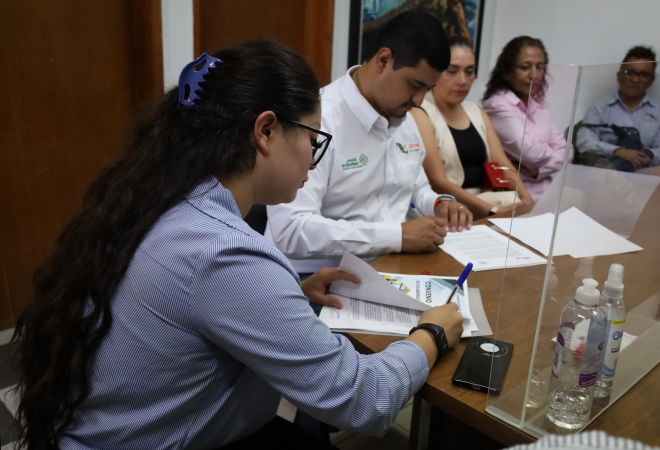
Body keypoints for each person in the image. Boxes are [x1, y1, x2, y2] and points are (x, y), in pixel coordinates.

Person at [11, 41, 464, 449]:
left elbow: (193, 303)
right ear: (265, 131)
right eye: (313, 139)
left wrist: (291, 296)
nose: (313, 159)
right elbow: (365, 401)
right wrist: (432, 333)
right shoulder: (225, 254)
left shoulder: (158, 197)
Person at [266, 12, 473, 275]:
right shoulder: (319, 120)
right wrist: (396, 236)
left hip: (389, 266)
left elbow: (414, 189)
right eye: (415, 85)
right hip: (313, 276)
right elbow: (291, 229)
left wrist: (437, 204)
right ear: (384, 60)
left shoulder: (405, 119)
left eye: (428, 89)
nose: (419, 100)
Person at [410, 36, 534, 219]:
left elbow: (503, 165)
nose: (463, 80)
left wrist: (525, 198)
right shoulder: (419, 112)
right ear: (434, 72)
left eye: (469, 72)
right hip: (448, 206)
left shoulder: (476, 111)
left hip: (488, 199)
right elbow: (438, 182)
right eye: (452, 71)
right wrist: (493, 211)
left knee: (520, 206)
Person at [482, 36, 573, 200]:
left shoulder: (538, 105)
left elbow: (568, 151)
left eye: (540, 67)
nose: (534, 75)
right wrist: (551, 152)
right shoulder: (498, 105)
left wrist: (539, 170)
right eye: (525, 67)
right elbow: (531, 154)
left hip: (546, 190)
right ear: (507, 72)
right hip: (515, 196)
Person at [576, 45, 660, 172]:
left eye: (643, 74)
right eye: (629, 73)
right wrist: (618, 151)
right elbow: (584, 141)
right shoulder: (599, 109)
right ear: (619, 75)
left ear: (651, 80)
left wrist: (650, 155)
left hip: (647, 173)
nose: (635, 79)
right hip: (607, 173)